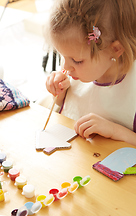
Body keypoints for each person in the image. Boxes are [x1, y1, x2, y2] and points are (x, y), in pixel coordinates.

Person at [45, 0, 136, 146]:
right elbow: (71, 109)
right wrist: (60, 93)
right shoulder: (77, 68)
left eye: (76, 60)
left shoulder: (133, 87)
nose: (66, 67)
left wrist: (115, 130)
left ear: (116, 50)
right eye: (63, 56)